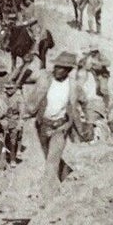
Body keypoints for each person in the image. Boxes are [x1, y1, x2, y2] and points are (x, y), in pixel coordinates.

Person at [28, 50, 87, 195]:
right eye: (56, 66)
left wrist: (85, 122)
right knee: (50, 157)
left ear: (68, 70)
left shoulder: (73, 85)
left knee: (51, 163)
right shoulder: (46, 79)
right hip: (43, 125)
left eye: (61, 68)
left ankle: (47, 197)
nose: (57, 70)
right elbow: (31, 85)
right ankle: (69, 180)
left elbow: (84, 101)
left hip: (60, 127)